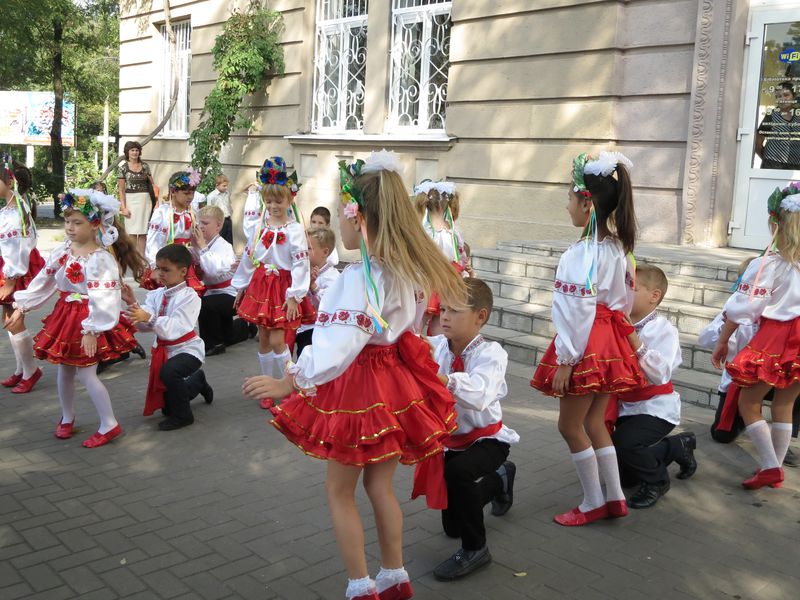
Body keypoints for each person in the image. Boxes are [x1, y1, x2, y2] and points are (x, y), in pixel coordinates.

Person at [242, 150, 467, 600]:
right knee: (380, 485)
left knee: (339, 489)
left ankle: (360, 586)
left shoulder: (359, 277)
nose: (335, 228)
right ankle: (394, 575)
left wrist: (293, 380)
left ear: (357, 217)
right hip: (393, 381)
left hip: (359, 383)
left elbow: (337, 347)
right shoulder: (404, 268)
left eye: (343, 214)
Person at [530, 151, 645, 526]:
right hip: (609, 340)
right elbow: (624, 301)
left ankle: (594, 501)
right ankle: (614, 497)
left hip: (585, 342)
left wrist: (566, 360)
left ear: (586, 202)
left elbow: (574, 310)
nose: (566, 208)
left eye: (569, 199)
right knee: (596, 423)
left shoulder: (581, 254)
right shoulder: (619, 248)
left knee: (569, 426)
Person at [8, 189, 142, 447]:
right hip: (66, 315)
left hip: (88, 317)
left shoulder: (101, 258)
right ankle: (67, 417)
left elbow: (106, 296)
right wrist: (22, 306)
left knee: (87, 374)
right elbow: (44, 280)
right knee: (65, 370)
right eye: (67, 221)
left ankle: (109, 423)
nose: (69, 227)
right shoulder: (64, 250)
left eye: (77, 222)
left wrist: (92, 329)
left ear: (94, 225)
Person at [428, 278, 519, 581]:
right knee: (452, 525)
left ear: (480, 316)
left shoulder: (492, 353)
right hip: (452, 442)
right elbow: (406, 349)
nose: (443, 316)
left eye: (454, 311)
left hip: (487, 439)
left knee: (458, 474)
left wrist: (445, 380)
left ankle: (476, 549)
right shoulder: (438, 346)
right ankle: (501, 479)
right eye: (442, 309)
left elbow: (481, 394)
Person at [711, 182, 800, 489]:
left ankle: (771, 467)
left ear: (777, 224)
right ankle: (772, 469)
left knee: (748, 403)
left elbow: (742, 310)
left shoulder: (769, 266)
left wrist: (723, 340)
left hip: (777, 336)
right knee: (784, 406)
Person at [605, 264, 696, 509]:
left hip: (656, 406)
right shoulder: (617, 323)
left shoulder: (664, 330)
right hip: (627, 405)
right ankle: (678, 446)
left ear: (654, 296)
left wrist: (633, 339)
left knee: (625, 443)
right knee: (626, 475)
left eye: (631, 288)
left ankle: (657, 482)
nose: (623, 293)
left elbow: (661, 373)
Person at [232, 157, 315, 407]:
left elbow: (301, 263)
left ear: (289, 199)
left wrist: (294, 295)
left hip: (282, 287)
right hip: (261, 284)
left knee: (279, 340)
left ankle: (289, 385)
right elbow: (249, 257)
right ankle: (267, 386)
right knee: (265, 338)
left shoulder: (294, 230)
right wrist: (241, 287)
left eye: (278, 201)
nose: (273, 206)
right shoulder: (260, 226)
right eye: (268, 201)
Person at [124, 244, 213, 430]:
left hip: (188, 350)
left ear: (182, 271)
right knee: (167, 405)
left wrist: (148, 317)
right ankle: (198, 382)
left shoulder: (190, 297)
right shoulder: (156, 295)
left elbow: (176, 328)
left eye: (166, 269)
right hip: (164, 350)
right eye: (158, 268)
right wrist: (133, 304)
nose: (160, 273)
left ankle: (184, 416)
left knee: (170, 373)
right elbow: (143, 325)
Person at [698, 257, 758, 444]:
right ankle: (750, 420)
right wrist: (724, 329)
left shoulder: (779, 309)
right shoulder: (735, 306)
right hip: (741, 378)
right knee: (722, 435)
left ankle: (787, 434)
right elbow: (706, 338)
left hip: (772, 374)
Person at [0, 155, 45, 393]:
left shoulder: (17, 211)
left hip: (15, 271)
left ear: (9, 182)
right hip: (7, 267)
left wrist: (10, 281)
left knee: (15, 320)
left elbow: (19, 249)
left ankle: (30, 371)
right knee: (8, 320)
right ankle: (20, 369)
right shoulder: (10, 208)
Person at [191, 205, 252, 355]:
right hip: (214, 293)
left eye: (205, 223)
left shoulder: (224, 246)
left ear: (218, 225)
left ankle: (214, 344)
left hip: (231, 295)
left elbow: (212, 270)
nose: (201, 227)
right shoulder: (201, 245)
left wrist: (203, 248)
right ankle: (245, 328)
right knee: (228, 336)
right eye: (200, 223)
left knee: (205, 304)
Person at [415, 180, 468, 336]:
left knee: (418, 322)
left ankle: (414, 350)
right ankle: (439, 355)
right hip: (450, 280)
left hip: (425, 278)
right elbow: (461, 257)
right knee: (441, 318)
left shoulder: (423, 231)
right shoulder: (453, 232)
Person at [143, 169, 205, 295]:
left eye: (192, 193)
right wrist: (156, 266)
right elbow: (153, 241)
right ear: (173, 192)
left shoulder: (192, 213)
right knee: (167, 293)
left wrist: (199, 260)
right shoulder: (163, 213)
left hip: (186, 262)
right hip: (168, 261)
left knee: (186, 295)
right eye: (186, 193)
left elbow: (195, 241)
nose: (190, 197)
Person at [294, 226, 340, 362]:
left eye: (308, 248)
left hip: (318, 329)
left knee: (308, 360)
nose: (303, 252)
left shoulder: (332, 277)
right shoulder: (302, 271)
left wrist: (313, 287)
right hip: (300, 326)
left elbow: (329, 304)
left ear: (325, 252)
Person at [117, 141, 156, 256]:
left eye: (137, 150)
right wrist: (123, 207)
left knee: (143, 232)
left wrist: (156, 201)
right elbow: (121, 190)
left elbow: (152, 184)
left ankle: (142, 259)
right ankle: (134, 259)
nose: (135, 152)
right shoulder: (123, 168)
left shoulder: (145, 166)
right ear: (127, 152)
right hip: (130, 201)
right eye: (132, 150)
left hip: (145, 200)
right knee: (132, 232)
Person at [755, 81, 800, 171]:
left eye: (786, 95)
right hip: (772, 164)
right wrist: (767, 160)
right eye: (778, 96)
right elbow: (758, 143)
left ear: (794, 96)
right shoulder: (771, 115)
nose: (782, 99)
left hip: (795, 166)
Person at [205, 174, 233, 243]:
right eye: (224, 186)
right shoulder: (211, 196)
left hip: (227, 219)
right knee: (219, 241)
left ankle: (229, 253)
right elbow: (209, 211)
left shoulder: (227, 193)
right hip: (218, 221)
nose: (226, 187)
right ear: (217, 185)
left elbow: (228, 205)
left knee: (229, 240)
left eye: (226, 185)